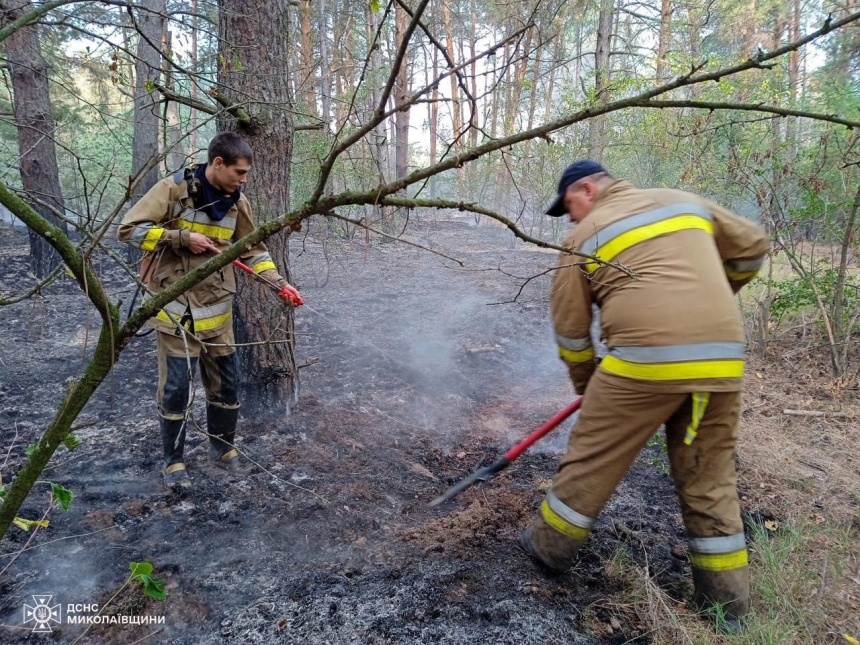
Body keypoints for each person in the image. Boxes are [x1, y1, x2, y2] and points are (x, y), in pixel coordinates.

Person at [520, 160, 769, 632]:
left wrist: (590, 389)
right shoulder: (685, 201)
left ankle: (549, 548)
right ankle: (727, 609)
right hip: (721, 359)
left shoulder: (583, 236)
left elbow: (571, 333)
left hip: (643, 362)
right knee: (709, 477)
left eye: (568, 206)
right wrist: (717, 292)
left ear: (587, 190)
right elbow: (753, 246)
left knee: (593, 455)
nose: (570, 218)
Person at [118, 132, 303, 492]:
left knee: (227, 387)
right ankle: (174, 462)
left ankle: (223, 451)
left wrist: (279, 283)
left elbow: (254, 251)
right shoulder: (172, 190)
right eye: (239, 172)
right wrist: (180, 238)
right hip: (176, 314)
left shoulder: (237, 203)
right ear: (217, 164)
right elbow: (128, 230)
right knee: (175, 390)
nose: (244, 180)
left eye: (246, 174)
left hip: (218, 317)